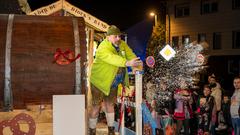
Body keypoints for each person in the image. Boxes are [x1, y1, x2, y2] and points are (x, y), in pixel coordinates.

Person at [88, 25, 142, 135]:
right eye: (115, 36)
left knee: (110, 105)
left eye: (119, 36)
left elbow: (131, 55)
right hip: (99, 82)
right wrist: (126, 63)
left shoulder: (122, 44)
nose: (118, 38)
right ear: (108, 37)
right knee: (96, 106)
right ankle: (92, 130)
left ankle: (111, 130)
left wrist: (138, 66)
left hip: (113, 82)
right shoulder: (103, 47)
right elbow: (111, 58)